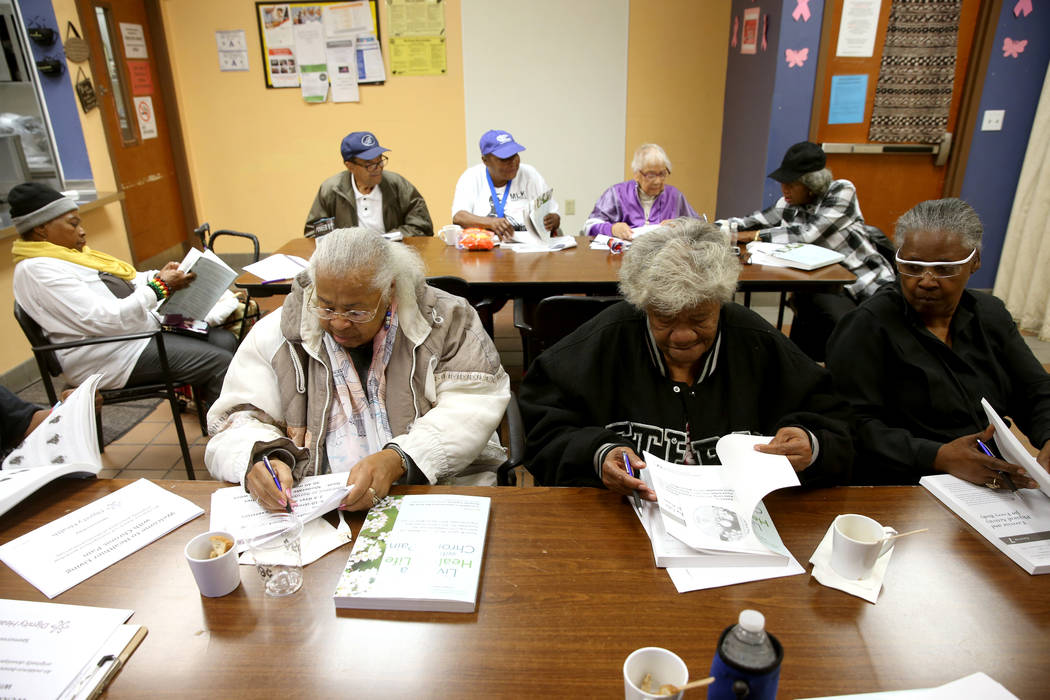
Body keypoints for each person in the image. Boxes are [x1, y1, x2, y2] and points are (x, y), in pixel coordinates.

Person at [519, 218, 853, 497]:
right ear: (643, 305)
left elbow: (836, 421)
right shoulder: (602, 342)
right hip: (621, 522)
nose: (682, 336)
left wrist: (811, 443)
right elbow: (543, 432)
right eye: (664, 318)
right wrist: (597, 453)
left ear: (721, 303)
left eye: (699, 319)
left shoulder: (757, 342)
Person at [205, 227, 510, 511]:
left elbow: (473, 403)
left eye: (356, 311)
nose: (338, 322)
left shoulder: (446, 321)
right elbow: (237, 418)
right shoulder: (281, 334)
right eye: (325, 306)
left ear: (390, 290)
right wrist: (258, 458)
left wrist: (401, 458)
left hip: (432, 490)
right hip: (316, 505)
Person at [826, 198, 1049, 487]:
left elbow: (1034, 390)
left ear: (975, 262)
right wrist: (938, 455)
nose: (926, 280)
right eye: (913, 267)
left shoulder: (991, 315)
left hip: (988, 475)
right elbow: (851, 423)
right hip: (906, 480)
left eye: (944, 269)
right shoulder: (866, 326)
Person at [10, 182, 235, 402]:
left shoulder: (70, 255)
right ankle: (228, 434)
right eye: (73, 224)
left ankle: (215, 412)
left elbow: (129, 280)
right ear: (41, 228)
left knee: (225, 340)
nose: (82, 231)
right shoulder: (37, 270)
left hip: (139, 330)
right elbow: (105, 319)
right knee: (220, 363)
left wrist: (163, 275)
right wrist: (159, 287)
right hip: (109, 353)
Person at [721, 141, 894, 361]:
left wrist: (753, 236)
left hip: (866, 282)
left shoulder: (841, 190)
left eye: (791, 185)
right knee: (810, 315)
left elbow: (808, 234)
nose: (784, 191)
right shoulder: (789, 202)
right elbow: (751, 222)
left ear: (812, 184)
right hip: (824, 283)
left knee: (853, 334)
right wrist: (712, 228)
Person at [306, 131, 434, 238]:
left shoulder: (397, 185)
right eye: (370, 164)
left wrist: (386, 241)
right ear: (350, 166)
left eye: (380, 161)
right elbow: (314, 234)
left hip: (395, 255)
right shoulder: (331, 190)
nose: (378, 168)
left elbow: (421, 226)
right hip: (349, 260)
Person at [451, 129, 560, 243]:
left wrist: (552, 220)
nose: (513, 162)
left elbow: (555, 216)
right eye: (504, 159)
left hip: (529, 250)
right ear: (485, 161)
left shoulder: (530, 174)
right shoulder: (471, 177)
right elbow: (459, 216)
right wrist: (490, 222)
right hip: (485, 252)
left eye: (515, 155)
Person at [584, 143, 699, 240]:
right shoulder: (616, 194)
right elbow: (589, 226)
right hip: (623, 258)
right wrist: (612, 229)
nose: (658, 181)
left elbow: (699, 225)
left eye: (662, 174)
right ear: (636, 174)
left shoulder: (674, 196)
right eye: (651, 175)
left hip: (664, 260)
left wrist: (682, 225)